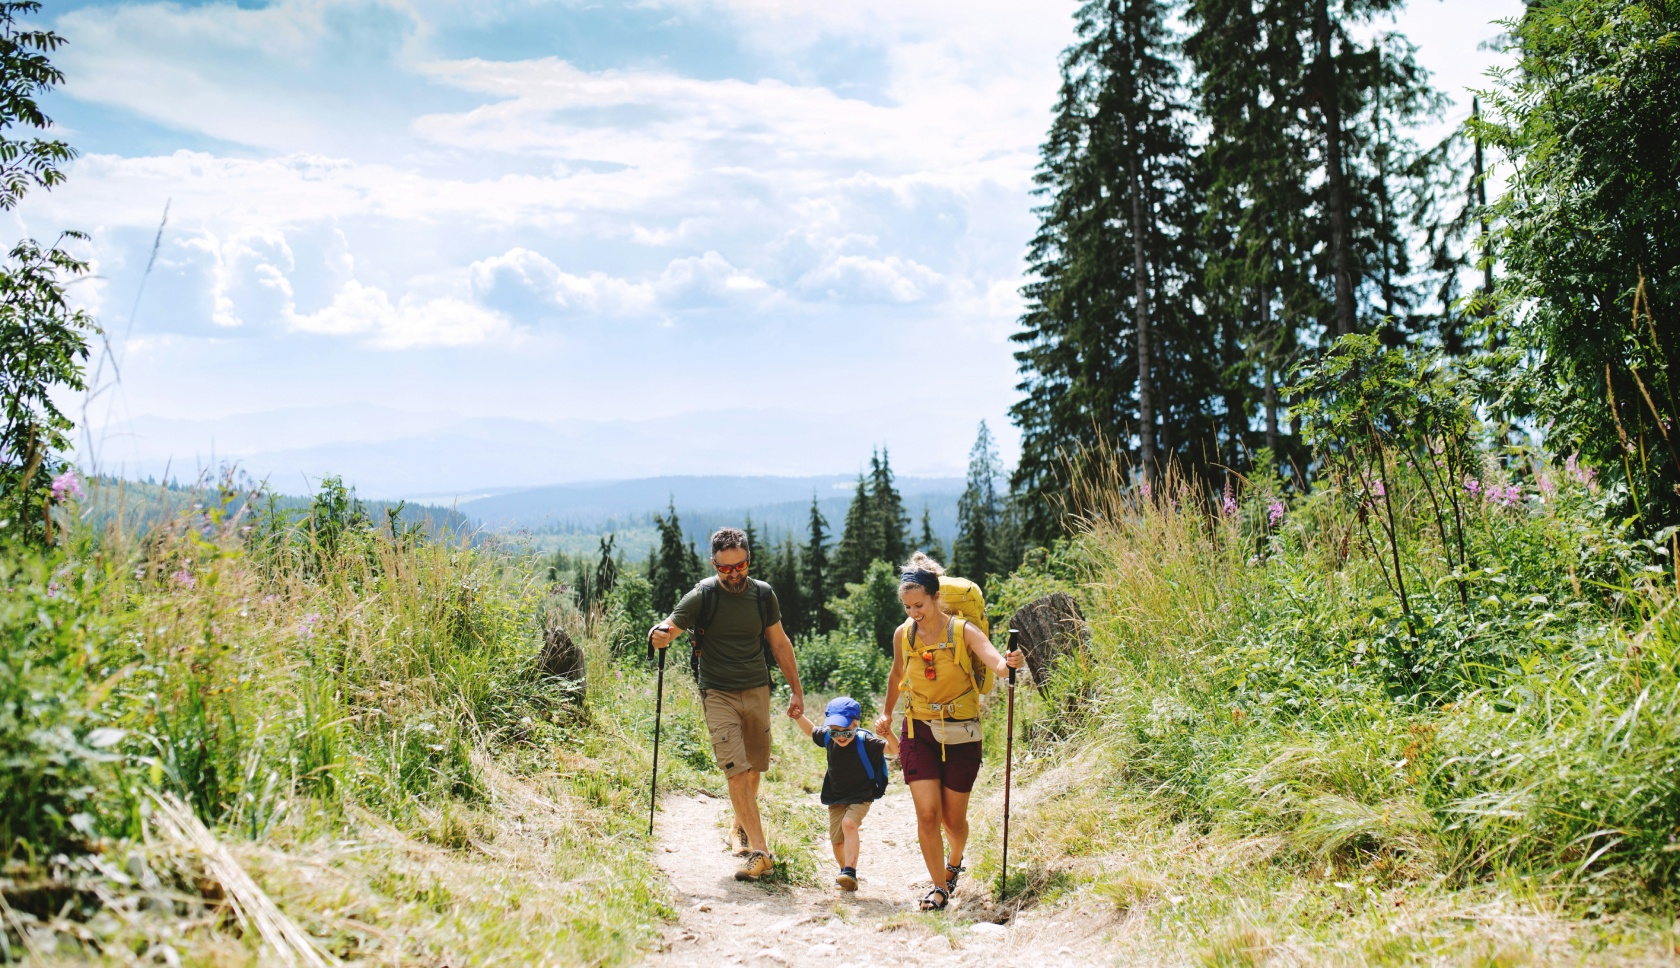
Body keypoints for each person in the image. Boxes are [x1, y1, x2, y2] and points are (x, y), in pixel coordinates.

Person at [650, 527, 805, 881]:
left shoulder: (763, 595)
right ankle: (761, 852)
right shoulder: (702, 596)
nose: (734, 574)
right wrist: (660, 636)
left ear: (749, 560)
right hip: (717, 692)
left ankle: (738, 829)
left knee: (754, 769)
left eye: (741, 566)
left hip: (756, 689)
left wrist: (796, 690)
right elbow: (670, 628)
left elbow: (780, 644)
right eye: (725, 568)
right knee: (735, 770)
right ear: (714, 564)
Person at [874, 552, 1024, 911]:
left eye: (919, 605)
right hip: (918, 729)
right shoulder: (904, 635)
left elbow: (996, 663)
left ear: (936, 597)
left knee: (952, 821)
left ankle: (954, 861)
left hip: (961, 732)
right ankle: (938, 888)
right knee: (927, 815)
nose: (913, 612)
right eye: (908, 607)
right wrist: (887, 713)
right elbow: (897, 675)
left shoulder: (963, 631)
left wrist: (1010, 664)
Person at [791, 696, 896, 891]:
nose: (840, 736)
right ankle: (845, 875)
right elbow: (810, 730)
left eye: (847, 731)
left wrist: (888, 734)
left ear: (856, 725)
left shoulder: (866, 742)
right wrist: (799, 716)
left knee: (849, 824)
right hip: (836, 796)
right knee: (837, 840)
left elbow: (894, 749)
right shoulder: (827, 737)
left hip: (861, 795)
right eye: (835, 731)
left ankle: (850, 871)